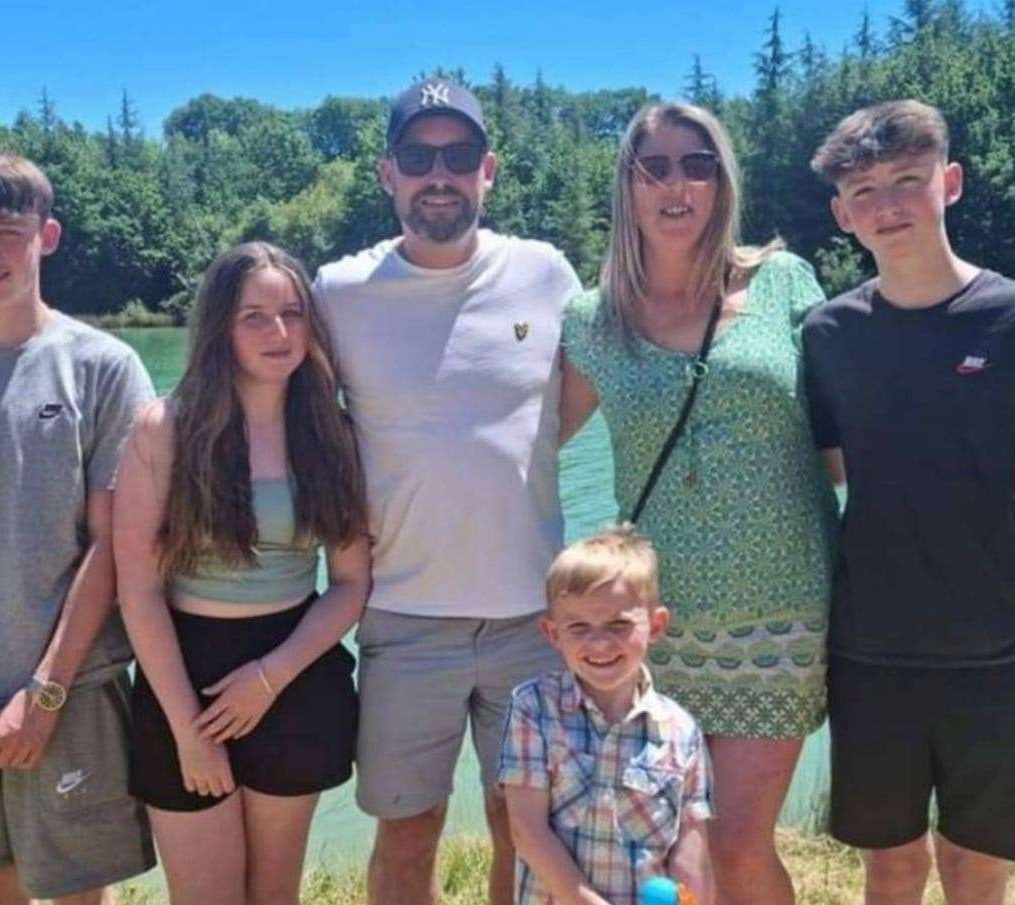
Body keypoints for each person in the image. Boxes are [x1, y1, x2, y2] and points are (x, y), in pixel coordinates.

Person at [559, 104, 838, 905]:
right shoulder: (592, 318)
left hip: (777, 611)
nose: (676, 184)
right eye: (655, 167)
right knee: (673, 843)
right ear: (628, 185)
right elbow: (524, 442)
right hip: (656, 621)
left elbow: (848, 428)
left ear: (722, 180)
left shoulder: (781, 282)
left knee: (736, 842)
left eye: (697, 164)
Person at [313, 78, 582, 905]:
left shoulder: (545, 274)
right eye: (419, 157)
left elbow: (571, 404)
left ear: (488, 170)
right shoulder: (336, 292)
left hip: (531, 618)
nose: (440, 174)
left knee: (525, 827)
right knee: (406, 830)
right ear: (386, 173)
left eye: (458, 156)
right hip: (401, 616)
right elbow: (292, 418)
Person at [0, 148, 156, 903]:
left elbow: (114, 548)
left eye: (10, 230)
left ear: (47, 236)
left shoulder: (104, 367)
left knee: (81, 889)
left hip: (73, 687)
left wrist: (45, 691)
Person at [113, 241, 370, 905]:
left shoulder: (332, 432)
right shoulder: (163, 428)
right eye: (253, 315)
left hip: (295, 670)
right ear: (219, 325)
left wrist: (269, 677)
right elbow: (137, 588)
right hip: (182, 677)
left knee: (273, 895)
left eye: (291, 313)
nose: (277, 332)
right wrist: (186, 731)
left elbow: (349, 582)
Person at [805, 100, 1015, 905]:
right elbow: (822, 470)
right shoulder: (828, 333)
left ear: (949, 182)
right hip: (871, 648)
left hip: (996, 649)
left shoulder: (1005, 316)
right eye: (862, 191)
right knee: (890, 866)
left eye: (906, 180)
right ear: (840, 213)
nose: (886, 205)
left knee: (977, 866)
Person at [499, 527, 715, 905]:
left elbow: (690, 847)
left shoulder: (681, 730)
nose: (599, 642)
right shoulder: (532, 707)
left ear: (657, 626)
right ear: (552, 633)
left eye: (619, 625)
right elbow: (527, 831)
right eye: (578, 627)